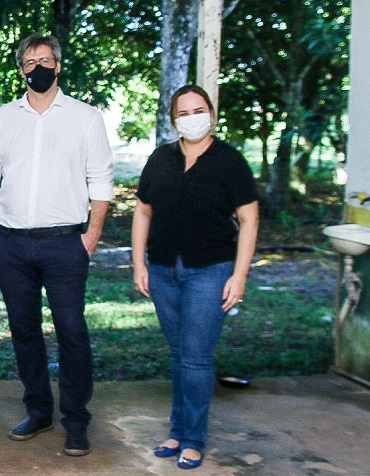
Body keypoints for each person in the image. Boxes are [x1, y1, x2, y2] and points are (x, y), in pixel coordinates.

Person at [0, 33, 114, 456]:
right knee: (23, 331)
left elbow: (102, 181)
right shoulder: (4, 117)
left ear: (58, 66)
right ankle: (38, 410)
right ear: (21, 69)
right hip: (13, 243)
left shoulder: (85, 117)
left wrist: (91, 235)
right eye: (30, 61)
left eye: (46, 59)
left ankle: (75, 420)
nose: (39, 66)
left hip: (65, 242)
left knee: (71, 331)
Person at [132, 84, 259, 470]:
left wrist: (239, 276)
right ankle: (177, 430)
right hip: (163, 269)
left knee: (197, 358)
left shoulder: (229, 161)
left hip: (210, 270)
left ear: (211, 114)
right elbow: (142, 211)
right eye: (183, 113)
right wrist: (139, 264)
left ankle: (193, 439)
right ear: (174, 120)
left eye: (198, 110)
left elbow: (249, 219)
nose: (192, 118)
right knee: (179, 354)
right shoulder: (160, 159)